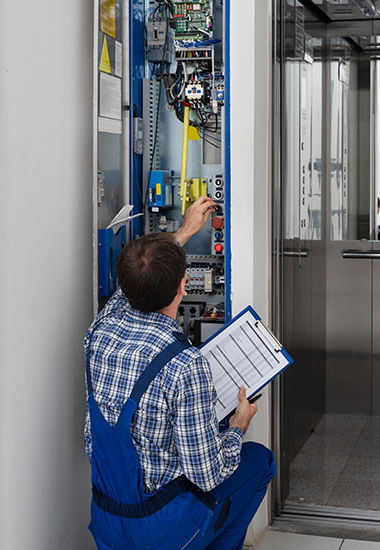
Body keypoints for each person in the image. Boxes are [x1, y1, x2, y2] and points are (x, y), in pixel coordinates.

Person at [84, 196, 275, 550]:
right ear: (183, 287)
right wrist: (238, 427)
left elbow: (128, 290)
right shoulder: (185, 366)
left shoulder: (99, 331)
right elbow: (207, 474)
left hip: (107, 518)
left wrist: (184, 232)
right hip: (160, 527)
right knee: (259, 461)